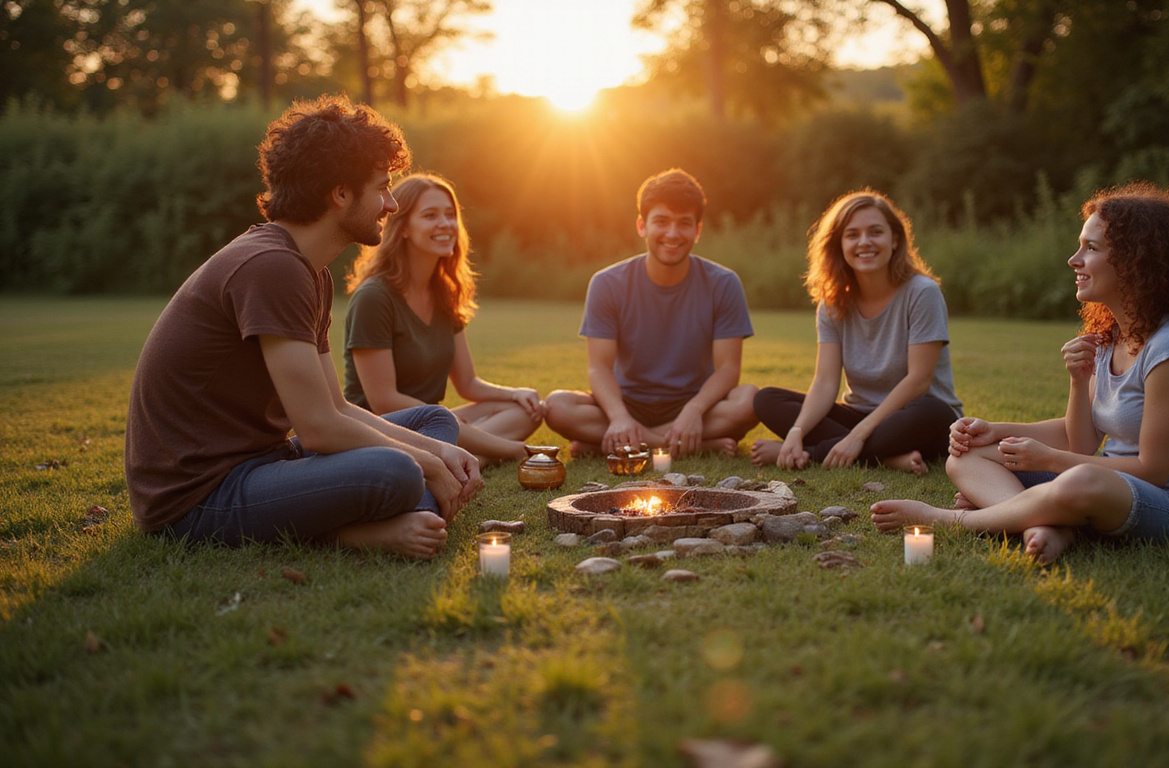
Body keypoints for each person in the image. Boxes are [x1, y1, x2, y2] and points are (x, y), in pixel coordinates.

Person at [125, 95, 482, 561]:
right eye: (382, 188)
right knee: (397, 470)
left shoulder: (310, 272)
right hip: (198, 498)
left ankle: (404, 512)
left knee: (435, 422)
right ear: (340, 194)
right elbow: (317, 429)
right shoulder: (272, 266)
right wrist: (430, 464)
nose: (391, 204)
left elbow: (335, 406)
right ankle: (352, 534)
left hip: (264, 461)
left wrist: (435, 452)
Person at [870, 182, 1169, 564]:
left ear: (1137, 261)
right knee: (967, 456)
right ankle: (1044, 526)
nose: (1073, 259)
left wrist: (1049, 459)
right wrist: (998, 429)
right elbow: (1080, 442)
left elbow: (1152, 472)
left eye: (1091, 248)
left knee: (1083, 481)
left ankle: (954, 519)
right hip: (1110, 488)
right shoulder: (1111, 337)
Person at [544, 168, 759, 459]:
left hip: (695, 404)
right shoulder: (606, 283)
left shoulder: (724, 283)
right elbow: (599, 368)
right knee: (557, 407)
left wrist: (694, 410)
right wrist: (619, 416)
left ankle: (625, 443)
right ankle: (685, 444)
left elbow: (728, 369)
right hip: (627, 403)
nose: (672, 233)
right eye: (661, 221)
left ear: (697, 231)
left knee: (750, 401)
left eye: (684, 223)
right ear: (641, 226)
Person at [750, 190, 962, 475]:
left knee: (931, 411)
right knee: (767, 399)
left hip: (917, 418)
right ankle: (888, 457)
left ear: (895, 239)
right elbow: (825, 381)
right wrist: (796, 431)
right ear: (839, 244)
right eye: (852, 235)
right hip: (860, 414)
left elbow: (918, 381)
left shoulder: (922, 292)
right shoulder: (832, 303)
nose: (864, 242)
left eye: (876, 232)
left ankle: (816, 453)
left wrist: (858, 435)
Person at [342, 173, 547, 464]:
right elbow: (384, 401)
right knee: (447, 429)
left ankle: (460, 455)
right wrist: (510, 448)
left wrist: (515, 393)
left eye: (450, 215)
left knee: (526, 410)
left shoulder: (444, 294)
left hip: (436, 424)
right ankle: (475, 453)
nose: (445, 224)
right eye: (430, 215)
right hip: (384, 431)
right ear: (402, 227)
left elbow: (468, 383)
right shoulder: (374, 297)